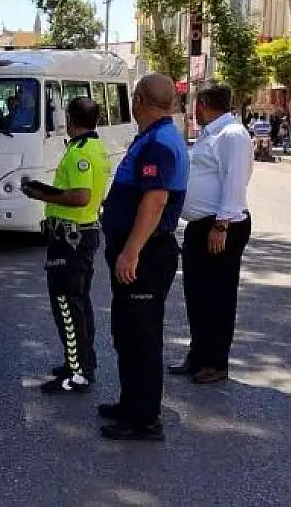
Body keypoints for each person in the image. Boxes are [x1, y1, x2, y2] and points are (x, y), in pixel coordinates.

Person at [97, 74, 189, 441]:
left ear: (138, 100)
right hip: (140, 250)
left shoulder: (160, 144)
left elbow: (155, 201)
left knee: (142, 337)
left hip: (147, 253)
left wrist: (130, 251)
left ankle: (144, 419)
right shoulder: (155, 137)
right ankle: (130, 403)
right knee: (127, 333)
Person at [22, 96, 111, 394]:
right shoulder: (95, 147)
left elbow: (81, 196)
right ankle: (80, 363)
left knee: (67, 306)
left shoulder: (80, 153)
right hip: (79, 235)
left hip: (71, 239)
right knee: (78, 304)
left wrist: (41, 196)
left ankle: (79, 373)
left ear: (70, 119)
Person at [172, 84, 254, 384]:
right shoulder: (210, 133)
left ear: (203, 103)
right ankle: (198, 355)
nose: (193, 110)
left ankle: (216, 362)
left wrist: (221, 225)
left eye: (195, 104)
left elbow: (234, 181)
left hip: (221, 226)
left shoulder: (232, 134)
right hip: (200, 225)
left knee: (217, 298)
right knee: (196, 296)